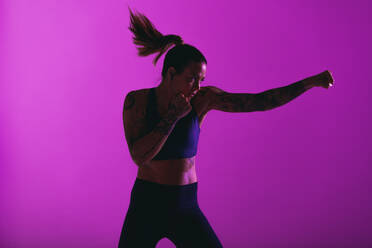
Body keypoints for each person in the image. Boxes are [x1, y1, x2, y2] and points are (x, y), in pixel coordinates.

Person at [119, 7, 335, 248]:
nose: (198, 87)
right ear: (171, 73)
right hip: (146, 204)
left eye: (202, 80)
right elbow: (140, 156)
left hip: (185, 205)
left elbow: (259, 101)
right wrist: (172, 116)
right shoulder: (136, 102)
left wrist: (309, 83)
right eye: (192, 78)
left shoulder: (202, 100)